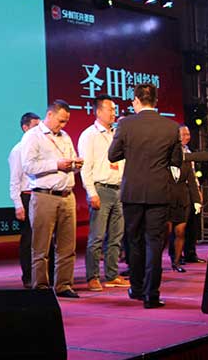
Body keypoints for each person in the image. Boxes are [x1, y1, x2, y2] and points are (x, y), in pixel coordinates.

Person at [108, 83, 183, 309]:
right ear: (156, 101)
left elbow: (113, 155)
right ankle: (151, 295)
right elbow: (176, 160)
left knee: (134, 241)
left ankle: (137, 288)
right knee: (154, 243)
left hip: (132, 191)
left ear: (137, 101)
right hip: (159, 192)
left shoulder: (125, 124)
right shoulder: (171, 127)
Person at [19, 99, 83, 298]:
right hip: (44, 196)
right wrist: (56, 164)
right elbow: (28, 166)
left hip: (67, 195)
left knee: (67, 246)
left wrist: (76, 164)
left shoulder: (65, 137)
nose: (63, 125)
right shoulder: (33, 136)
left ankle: (64, 285)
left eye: (66, 122)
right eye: (60, 121)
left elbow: (70, 160)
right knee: (41, 246)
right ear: (49, 115)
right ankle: (40, 286)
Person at [78, 95, 129, 292]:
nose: (113, 113)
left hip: (119, 189)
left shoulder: (116, 133)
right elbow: (85, 167)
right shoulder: (89, 135)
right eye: (110, 109)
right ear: (98, 112)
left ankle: (112, 274)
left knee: (116, 237)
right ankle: (92, 277)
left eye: (114, 109)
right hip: (101, 189)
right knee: (97, 237)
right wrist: (92, 193)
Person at [8, 112, 40, 288]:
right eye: (35, 126)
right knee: (28, 239)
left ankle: (46, 275)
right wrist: (18, 205)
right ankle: (28, 276)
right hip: (26, 196)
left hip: (41, 195)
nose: (38, 130)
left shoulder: (41, 146)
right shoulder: (18, 150)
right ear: (25, 128)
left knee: (45, 238)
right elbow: (14, 181)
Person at [167, 125, 202, 272]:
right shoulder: (164, 161)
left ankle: (176, 263)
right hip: (167, 200)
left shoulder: (187, 159)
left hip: (183, 200)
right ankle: (156, 263)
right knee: (166, 233)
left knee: (180, 231)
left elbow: (192, 181)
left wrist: (197, 201)